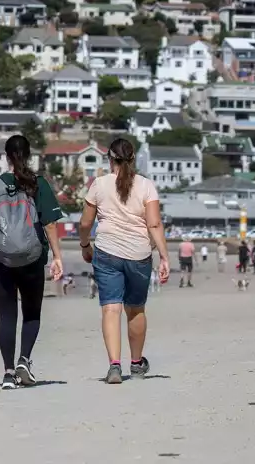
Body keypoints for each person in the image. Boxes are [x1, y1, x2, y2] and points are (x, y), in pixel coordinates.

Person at [79, 138, 170, 385]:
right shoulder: (146, 186)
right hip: (139, 254)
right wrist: (163, 256)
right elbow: (154, 224)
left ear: (110, 159)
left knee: (111, 307)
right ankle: (137, 363)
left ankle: (115, 366)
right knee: (136, 308)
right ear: (132, 159)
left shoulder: (98, 184)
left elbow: (86, 223)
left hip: (107, 251)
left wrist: (85, 245)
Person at [0, 134, 64, 390]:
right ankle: (24, 360)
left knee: (7, 317)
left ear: (6, 157)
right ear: (29, 156)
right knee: (31, 314)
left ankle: (8, 373)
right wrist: (58, 256)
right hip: (32, 258)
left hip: (1, 260)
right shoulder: (39, 184)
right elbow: (49, 224)